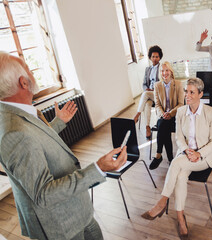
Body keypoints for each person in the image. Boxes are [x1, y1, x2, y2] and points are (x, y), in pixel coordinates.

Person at [0, 51, 128, 240]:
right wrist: (98, 169)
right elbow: (43, 194)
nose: (32, 72)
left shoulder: (19, 114)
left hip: (77, 209)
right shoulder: (15, 132)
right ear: (23, 82)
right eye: (28, 69)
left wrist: (58, 123)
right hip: (61, 226)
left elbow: (35, 142)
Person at [141, 78, 212, 239]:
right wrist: (186, 150)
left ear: (200, 94)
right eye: (186, 91)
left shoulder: (211, 112)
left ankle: (162, 202)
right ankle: (180, 218)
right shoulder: (181, 111)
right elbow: (178, 137)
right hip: (185, 154)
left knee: (176, 164)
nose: (187, 95)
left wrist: (199, 153)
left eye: (192, 92)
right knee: (180, 175)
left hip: (204, 157)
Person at [150, 61, 185, 170]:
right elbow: (157, 104)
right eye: (162, 71)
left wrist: (170, 113)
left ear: (171, 71)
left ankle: (159, 155)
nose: (164, 73)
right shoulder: (157, 85)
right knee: (163, 125)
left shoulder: (178, 84)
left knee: (162, 126)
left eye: (166, 70)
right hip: (163, 116)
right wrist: (163, 114)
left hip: (175, 115)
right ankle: (170, 159)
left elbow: (181, 104)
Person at [134, 45, 163, 139]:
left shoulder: (162, 68)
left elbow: (163, 83)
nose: (155, 59)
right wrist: (146, 88)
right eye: (153, 56)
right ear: (150, 57)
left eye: (157, 57)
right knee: (147, 103)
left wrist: (153, 90)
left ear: (160, 57)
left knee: (145, 94)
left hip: (158, 94)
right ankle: (147, 127)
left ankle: (137, 114)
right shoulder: (148, 69)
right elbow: (144, 84)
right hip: (149, 94)